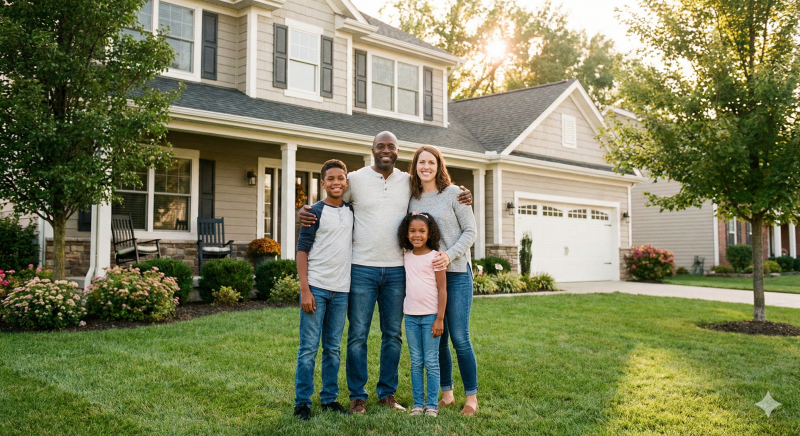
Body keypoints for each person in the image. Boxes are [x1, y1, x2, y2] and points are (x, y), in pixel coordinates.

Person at [297, 131, 472, 414]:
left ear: (398, 151)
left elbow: (437, 189)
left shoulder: (408, 182)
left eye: (391, 146)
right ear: (373, 149)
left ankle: (387, 393)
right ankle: (358, 396)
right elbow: (333, 197)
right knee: (358, 335)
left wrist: (463, 192)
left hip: (396, 271)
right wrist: (303, 212)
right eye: (381, 146)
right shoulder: (355, 178)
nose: (386, 150)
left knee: (392, 334)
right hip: (362, 269)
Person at [407, 145, 479, 416]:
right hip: (427, 279)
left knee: (460, 338)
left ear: (439, 166)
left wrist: (449, 256)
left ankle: (471, 398)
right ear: (415, 166)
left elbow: (471, 231)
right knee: (440, 338)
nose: (426, 167)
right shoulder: (412, 199)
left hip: (457, 274)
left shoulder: (455, 194)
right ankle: (447, 394)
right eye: (421, 162)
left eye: (431, 162)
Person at [293, 159, 354, 421]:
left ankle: (329, 398)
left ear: (346, 182)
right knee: (308, 348)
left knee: (333, 348)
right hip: (316, 288)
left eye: (341, 178)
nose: (336, 182)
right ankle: (302, 402)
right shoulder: (314, 213)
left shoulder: (352, 211)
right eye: (331, 179)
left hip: (341, 291)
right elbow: (302, 251)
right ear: (323, 183)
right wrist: (305, 290)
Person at [398, 212, 447, 417]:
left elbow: (442, 289)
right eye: (412, 231)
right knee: (416, 361)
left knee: (431, 361)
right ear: (406, 233)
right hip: (410, 316)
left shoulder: (435, 257)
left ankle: (432, 406)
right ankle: (418, 405)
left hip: (430, 317)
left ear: (429, 233)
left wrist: (440, 318)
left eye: (421, 231)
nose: (416, 235)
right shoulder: (406, 256)